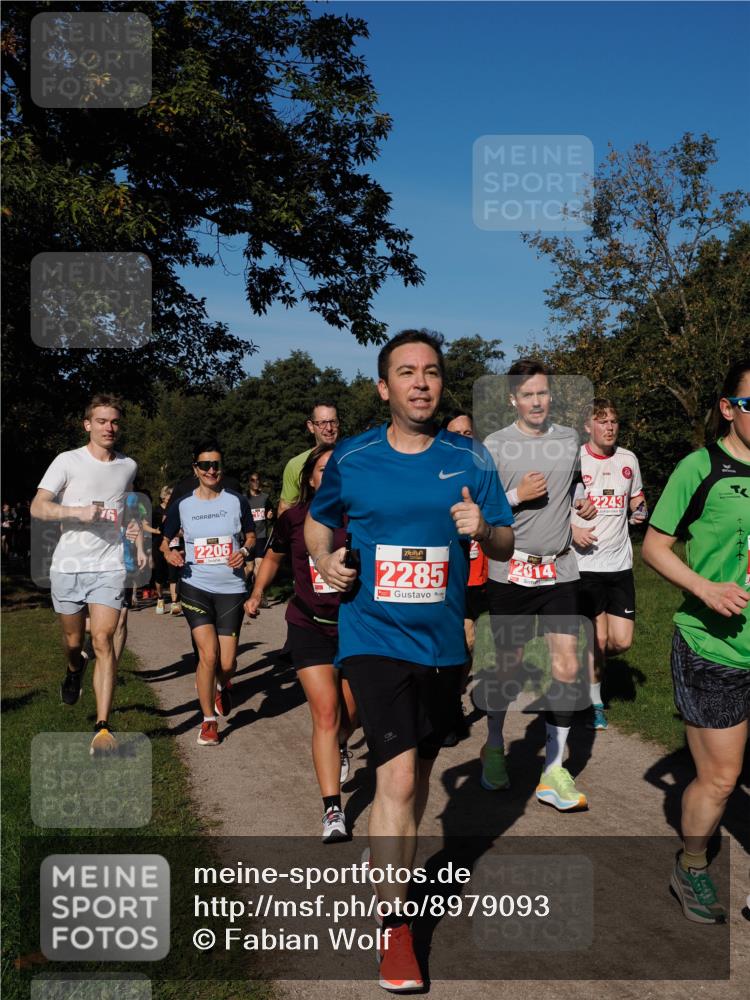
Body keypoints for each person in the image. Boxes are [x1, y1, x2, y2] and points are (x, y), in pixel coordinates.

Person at [305, 330, 514, 991]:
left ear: (440, 384)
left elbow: (507, 541)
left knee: (418, 781)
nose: (420, 382)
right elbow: (317, 521)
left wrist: (482, 531)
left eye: (430, 372)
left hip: (443, 645)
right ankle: (396, 930)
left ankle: (389, 856)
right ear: (383, 387)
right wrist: (322, 559)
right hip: (372, 636)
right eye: (406, 372)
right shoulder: (354, 456)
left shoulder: (469, 456)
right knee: (395, 782)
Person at [642, 361, 750, 924]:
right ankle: (692, 865)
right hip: (715, 649)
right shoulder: (700, 467)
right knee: (722, 779)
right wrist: (704, 587)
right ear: (729, 407)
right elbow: (655, 547)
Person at [482, 360, 597, 809]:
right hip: (511, 569)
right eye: (527, 394)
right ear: (513, 399)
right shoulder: (495, 445)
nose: (536, 401)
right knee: (507, 669)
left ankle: (553, 769)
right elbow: (482, 513)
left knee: (568, 665)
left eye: (543, 394)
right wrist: (516, 497)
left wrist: (582, 505)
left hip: (559, 570)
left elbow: (574, 488)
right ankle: (494, 745)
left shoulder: (569, 440)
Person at [245, 445, 358, 842]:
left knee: (348, 715)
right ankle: (333, 811)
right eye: (322, 470)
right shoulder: (293, 518)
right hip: (309, 625)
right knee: (325, 714)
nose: (329, 476)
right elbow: (274, 557)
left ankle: (343, 741)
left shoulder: (361, 517)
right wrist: (257, 591)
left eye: (336, 470)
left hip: (356, 627)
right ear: (309, 479)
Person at [31, 394, 145, 753]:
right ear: (87, 425)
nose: (109, 428)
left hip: (108, 566)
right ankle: (72, 669)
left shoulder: (128, 465)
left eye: (114, 422)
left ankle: (103, 728)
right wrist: (76, 512)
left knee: (104, 640)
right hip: (69, 565)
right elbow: (38, 506)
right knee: (74, 643)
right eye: (102, 421)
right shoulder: (67, 461)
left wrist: (133, 533)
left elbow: (126, 507)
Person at [162, 440, 256, 746]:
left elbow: (252, 536)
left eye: (216, 464)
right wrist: (170, 555)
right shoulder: (183, 505)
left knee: (227, 664)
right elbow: (165, 541)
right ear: (196, 469)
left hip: (231, 588)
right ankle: (208, 722)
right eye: (205, 465)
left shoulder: (237, 501)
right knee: (208, 654)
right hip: (195, 586)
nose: (211, 470)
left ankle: (220, 685)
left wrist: (243, 550)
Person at [572, 398, 648, 730]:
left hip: (620, 564)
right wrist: (573, 529)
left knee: (622, 641)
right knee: (598, 640)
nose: (609, 427)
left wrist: (640, 510)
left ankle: (582, 666)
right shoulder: (575, 460)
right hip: (585, 565)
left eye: (614, 421)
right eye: (602, 421)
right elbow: (554, 506)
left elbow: (636, 498)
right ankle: (595, 703)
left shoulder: (628, 459)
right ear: (588, 426)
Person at [440, 411, 487, 745]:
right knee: (457, 638)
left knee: (468, 641)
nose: (462, 437)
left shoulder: (486, 469)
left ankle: (450, 703)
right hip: (446, 574)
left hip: (480, 575)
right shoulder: (438, 472)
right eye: (455, 433)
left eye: (468, 431)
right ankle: (447, 706)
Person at [278, 402, 340, 515]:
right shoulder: (295, 464)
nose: (329, 428)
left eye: (333, 422)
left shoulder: (352, 458)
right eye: (322, 423)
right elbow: (285, 511)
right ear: (311, 426)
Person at [246, 471, 273, 588]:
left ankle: (258, 594)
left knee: (259, 565)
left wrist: (271, 515)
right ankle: (240, 589)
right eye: (252, 480)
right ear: (249, 482)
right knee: (250, 568)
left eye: (257, 480)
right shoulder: (244, 499)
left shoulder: (265, 498)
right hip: (247, 537)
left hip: (261, 536)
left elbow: (271, 513)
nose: (255, 482)